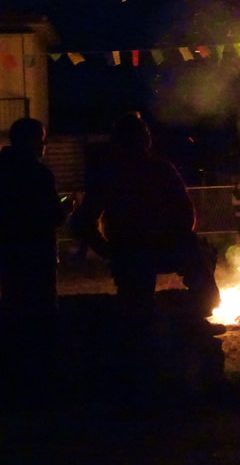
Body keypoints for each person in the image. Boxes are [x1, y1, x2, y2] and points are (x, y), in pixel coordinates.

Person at [72, 112, 219, 316]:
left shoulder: (109, 175)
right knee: (203, 274)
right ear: (146, 140)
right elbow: (186, 216)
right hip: (153, 250)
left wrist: (110, 252)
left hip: (130, 252)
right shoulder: (159, 169)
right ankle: (195, 314)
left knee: (138, 307)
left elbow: (81, 222)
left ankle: (180, 314)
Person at [0, 117, 64, 402]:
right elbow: (53, 215)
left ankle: (14, 378)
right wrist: (67, 211)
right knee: (40, 316)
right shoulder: (38, 174)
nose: (45, 144)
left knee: (14, 309)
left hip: (9, 255)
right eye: (41, 138)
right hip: (36, 256)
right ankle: (39, 383)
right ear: (29, 141)